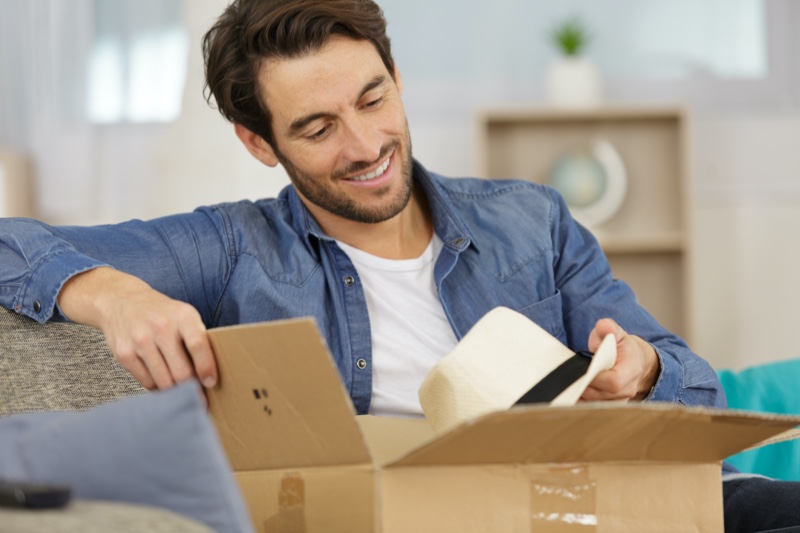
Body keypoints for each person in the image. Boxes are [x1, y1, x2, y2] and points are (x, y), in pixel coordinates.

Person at [0, 0, 797, 530]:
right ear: (258, 143)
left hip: (599, 505)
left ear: (397, 79)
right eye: (315, 128)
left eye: (373, 99)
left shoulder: (530, 218)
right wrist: (102, 291)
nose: (365, 146)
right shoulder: (230, 244)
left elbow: (701, 388)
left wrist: (646, 368)